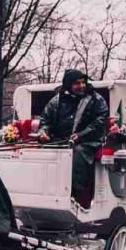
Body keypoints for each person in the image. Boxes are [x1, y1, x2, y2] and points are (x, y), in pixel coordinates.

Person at [38, 69, 108, 207]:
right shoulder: (56, 101)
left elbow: (100, 121)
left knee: (78, 153)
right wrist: (43, 133)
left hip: (88, 142)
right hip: (61, 141)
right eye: (77, 83)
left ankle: (76, 197)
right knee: (44, 153)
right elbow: (45, 120)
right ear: (69, 84)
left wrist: (81, 135)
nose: (81, 86)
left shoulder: (96, 99)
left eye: (83, 82)